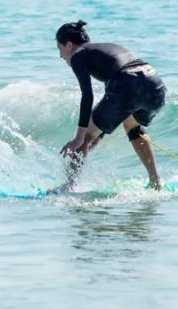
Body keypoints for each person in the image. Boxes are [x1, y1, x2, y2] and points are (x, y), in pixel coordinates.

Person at [55, 20, 167, 191]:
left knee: (84, 138)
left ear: (69, 45)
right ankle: (155, 181)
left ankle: (67, 188)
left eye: (59, 49)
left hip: (126, 83)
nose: (61, 56)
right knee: (133, 127)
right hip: (155, 85)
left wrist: (80, 137)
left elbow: (87, 95)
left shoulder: (78, 55)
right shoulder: (105, 48)